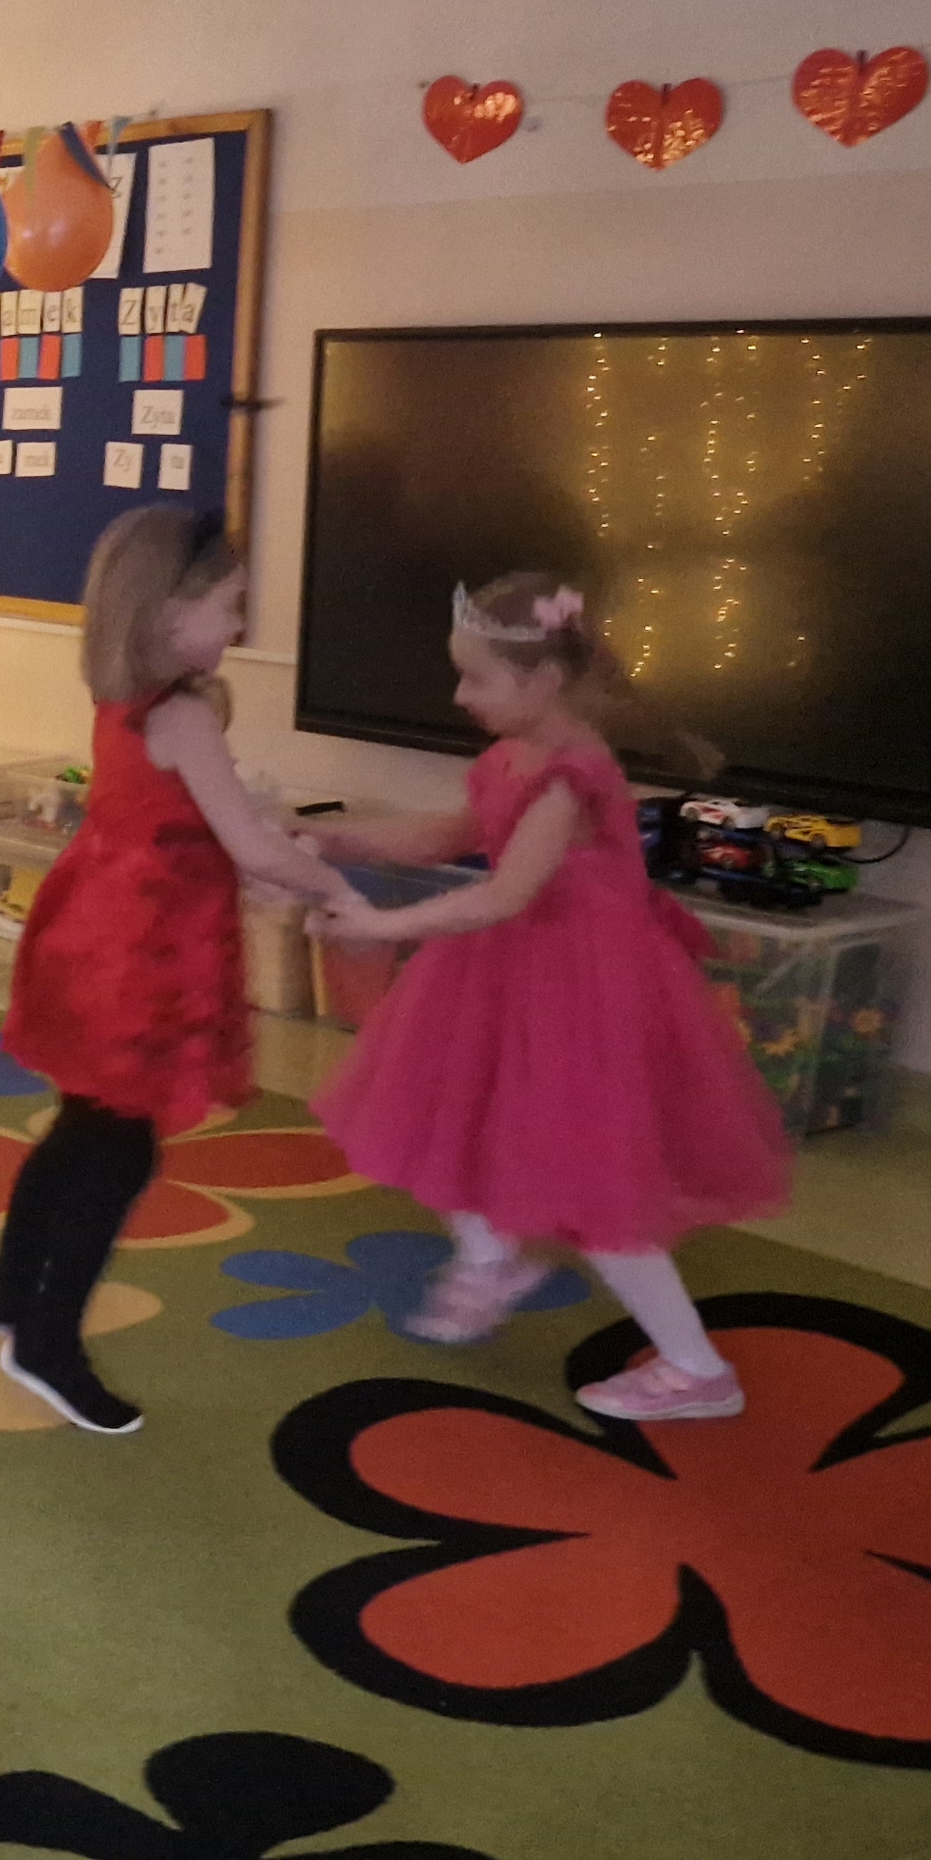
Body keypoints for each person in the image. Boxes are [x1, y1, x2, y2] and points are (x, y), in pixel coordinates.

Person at [306, 571, 789, 1417]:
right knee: (448, 1114)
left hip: (581, 989)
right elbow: (452, 834)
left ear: (544, 681)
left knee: (592, 1181)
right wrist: (335, 836)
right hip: (506, 971)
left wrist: (381, 926)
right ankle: (491, 1259)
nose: (459, 696)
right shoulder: (512, 754)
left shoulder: (571, 773)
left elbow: (506, 893)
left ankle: (698, 1371)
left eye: (477, 678)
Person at [0, 510, 352, 1431]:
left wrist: (281, 851)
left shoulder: (134, 700)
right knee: (119, 1148)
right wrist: (336, 886)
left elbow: (208, 828)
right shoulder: (180, 714)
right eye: (229, 605)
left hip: (97, 936)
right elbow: (249, 846)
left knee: (83, 1123)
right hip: (140, 957)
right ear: (167, 610)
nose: (240, 625)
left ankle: (9, 1291)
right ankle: (44, 1344)